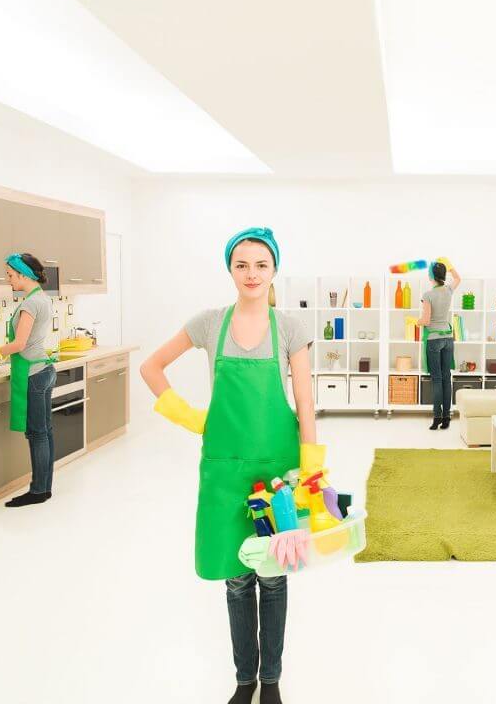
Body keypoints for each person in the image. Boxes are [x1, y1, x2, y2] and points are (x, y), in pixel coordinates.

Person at [140, 227, 316, 704]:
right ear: (230, 270)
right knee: (237, 580)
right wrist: (194, 418)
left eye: (261, 264)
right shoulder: (209, 324)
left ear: (274, 269)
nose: (252, 273)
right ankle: (245, 680)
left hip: (279, 474)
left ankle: (272, 679)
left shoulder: (292, 329)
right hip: (223, 472)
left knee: (273, 578)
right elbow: (151, 367)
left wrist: (312, 475)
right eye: (242, 264)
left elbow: (305, 404)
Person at [0, 253, 57, 507]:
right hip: (44, 370)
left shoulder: (29, 304)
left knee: (37, 434)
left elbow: (19, 344)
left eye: (9, 275)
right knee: (46, 432)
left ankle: (38, 491)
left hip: (33, 375)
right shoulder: (43, 298)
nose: (8, 280)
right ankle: (45, 487)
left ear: (23, 274)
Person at [418, 257, 461, 430]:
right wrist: (450, 266)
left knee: (436, 379)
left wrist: (417, 321)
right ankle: (447, 417)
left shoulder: (428, 295)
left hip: (434, 340)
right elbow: (458, 278)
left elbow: (426, 320)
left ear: (431, 276)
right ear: (443, 275)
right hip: (448, 338)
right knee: (446, 378)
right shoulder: (449, 290)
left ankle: (437, 418)